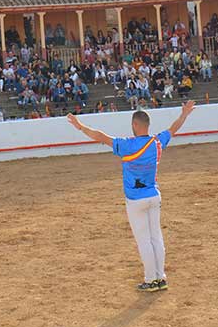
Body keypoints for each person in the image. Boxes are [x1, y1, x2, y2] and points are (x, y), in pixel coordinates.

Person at [66, 100, 197, 292]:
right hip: (153, 195)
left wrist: (79, 126)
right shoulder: (156, 142)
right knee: (156, 238)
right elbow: (173, 129)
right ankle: (161, 278)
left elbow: (101, 136)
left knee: (144, 240)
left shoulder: (127, 145)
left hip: (136, 200)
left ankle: (151, 279)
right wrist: (184, 114)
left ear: (135, 125)